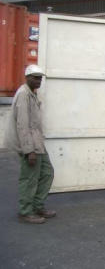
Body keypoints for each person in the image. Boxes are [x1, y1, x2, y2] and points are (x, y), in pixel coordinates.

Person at [4, 65, 56, 224]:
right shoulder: (23, 95)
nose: (38, 80)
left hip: (37, 143)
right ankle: (26, 212)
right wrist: (29, 151)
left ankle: (36, 205)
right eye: (35, 77)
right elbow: (22, 125)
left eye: (40, 77)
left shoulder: (31, 94)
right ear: (27, 77)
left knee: (47, 172)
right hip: (30, 146)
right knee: (30, 178)